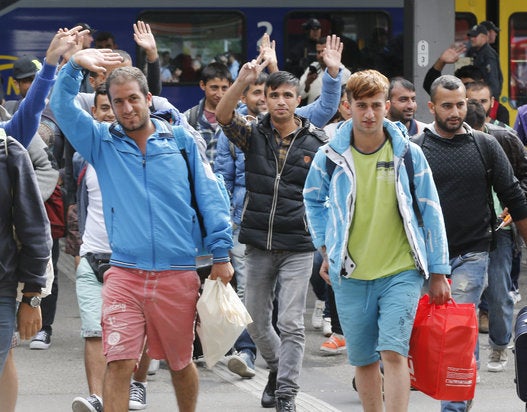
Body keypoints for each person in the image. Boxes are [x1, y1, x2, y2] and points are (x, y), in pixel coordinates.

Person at [50, 48, 234, 412]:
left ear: (149, 99)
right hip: (124, 273)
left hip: (178, 272)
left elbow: (211, 197)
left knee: (181, 364)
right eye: (118, 102)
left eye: (134, 98)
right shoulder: (101, 143)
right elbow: (61, 106)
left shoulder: (181, 141)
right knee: (119, 361)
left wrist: (221, 254)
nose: (127, 108)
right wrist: (73, 66)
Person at [303, 69, 451, 411]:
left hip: (401, 270)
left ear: (386, 106)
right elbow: (312, 199)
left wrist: (439, 270)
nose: (369, 114)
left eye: (375, 105)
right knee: (364, 358)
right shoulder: (330, 156)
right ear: (347, 107)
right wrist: (326, 247)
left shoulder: (408, 153)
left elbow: (431, 209)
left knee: (393, 351)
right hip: (351, 274)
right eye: (361, 106)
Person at [216, 43, 329, 408]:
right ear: (264, 98)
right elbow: (222, 114)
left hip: (298, 244)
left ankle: (286, 394)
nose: (280, 101)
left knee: (292, 323)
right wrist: (242, 80)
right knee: (255, 321)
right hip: (259, 243)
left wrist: (326, 244)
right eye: (273, 94)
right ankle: (278, 368)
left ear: (298, 99)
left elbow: (327, 196)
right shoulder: (253, 133)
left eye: (287, 95)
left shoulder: (317, 142)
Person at [414, 74, 527, 412]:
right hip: (426, 256)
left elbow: (514, 196)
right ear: (432, 107)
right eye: (447, 105)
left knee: (460, 330)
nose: (455, 111)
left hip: (473, 253)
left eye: (460, 104)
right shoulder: (417, 149)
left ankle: (455, 405)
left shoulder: (486, 145)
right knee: (427, 329)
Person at [464, 98, 527, 373]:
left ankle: (500, 346)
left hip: (501, 229)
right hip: (465, 230)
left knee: (500, 292)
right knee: (466, 297)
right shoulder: (449, 142)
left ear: (485, 124)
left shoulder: (506, 139)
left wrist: (513, 207)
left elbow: (524, 177)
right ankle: (468, 359)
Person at [185, 62, 233, 167]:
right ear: (203, 85)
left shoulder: (237, 117)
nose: (219, 94)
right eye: (214, 88)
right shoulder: (189, 118)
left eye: (224, 88)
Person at [299, 37, 351, 105]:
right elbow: (300, 96)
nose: (321, 55)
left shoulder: (345, 73)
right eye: (318, 52)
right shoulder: (312, 68)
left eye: (323, 51)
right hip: (313, 113)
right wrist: (307, 84)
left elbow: (349, 100)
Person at [466, 23, 503, 100]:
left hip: (485, 100)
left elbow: (493, 82)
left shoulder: (488, 55)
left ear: (484, 37)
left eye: (475, 36)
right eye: (471, 36)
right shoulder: (473, 51)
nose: (472, 39)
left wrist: (490, 102)